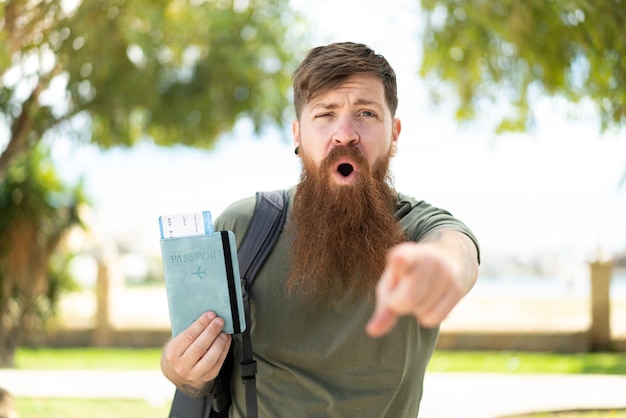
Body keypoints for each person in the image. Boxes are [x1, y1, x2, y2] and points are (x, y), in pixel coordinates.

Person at [161, 41, 480, 417]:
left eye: (366, 113)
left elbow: (455, 248)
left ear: (394, 134)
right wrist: (179, 367)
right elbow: (190, 371)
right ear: (297, 134)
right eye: (325, 115)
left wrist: (441, 266)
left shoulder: (418, 228)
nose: (345, 134)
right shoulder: (243, 228)